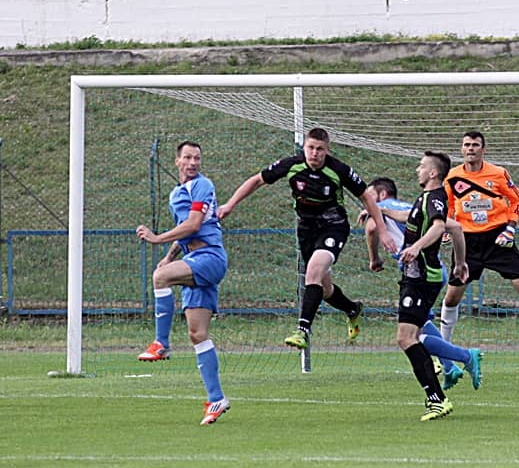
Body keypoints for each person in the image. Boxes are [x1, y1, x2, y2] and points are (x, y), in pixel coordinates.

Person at [217, 127, 395, 349]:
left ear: (327, 150)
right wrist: (230, 204)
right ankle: (352, 309)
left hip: (334, 227)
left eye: (320, 149)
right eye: (311, 148)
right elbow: (257, 180)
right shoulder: (292, 165)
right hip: (307, 231)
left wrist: (383, 231)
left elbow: (366, 197)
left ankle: (302, 331)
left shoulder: (338, 170)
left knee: (313, 272)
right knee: (325, 290)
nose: (314, 153)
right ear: (304, 147)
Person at [441, 130, 519, 372]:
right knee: (451, 297)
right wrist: (447, 227)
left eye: (475, 145)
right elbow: (449, 205)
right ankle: (443, 354)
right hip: (466, 242)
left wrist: (510, 229)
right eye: (467, 144)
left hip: (497, 239)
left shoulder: (498, 173)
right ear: (461, 149)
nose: (470, 148)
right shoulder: (452, 177)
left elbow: (517, 200)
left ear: (483, 149)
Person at [136, 141, 230, 426]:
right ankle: (216, 399)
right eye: (187, 158)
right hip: (194, 259)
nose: (192, 162)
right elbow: (184, 233)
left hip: (210, 257)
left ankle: (161, 343)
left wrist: (156, 239)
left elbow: (193, 225)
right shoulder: (177, 193)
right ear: (177, 161)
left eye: (197, 158)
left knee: (160, 277)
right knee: (197, 334)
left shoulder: (202, 185)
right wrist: (168, 256)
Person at [359, 176, 483, 390]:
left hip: (420, 272)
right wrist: (459, 262)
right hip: (434, 269)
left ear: (382, 194)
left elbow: (371, 229)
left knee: (410, 336)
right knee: (419, 326)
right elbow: (452, 226)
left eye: (369, 194)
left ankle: (465, 356)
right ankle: (450, 367)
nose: (366, 199)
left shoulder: (379, 209)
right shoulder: (412, 207)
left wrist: (374, 258)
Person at [392, 151, 469, 420]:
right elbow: (411, 218)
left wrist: (416, 247)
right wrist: (379, 210)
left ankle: (438, 397)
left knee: (406, 338)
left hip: (422, 276)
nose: (418, 170)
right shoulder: (425, 198)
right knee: (409, 337)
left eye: (422, 166)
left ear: (433, 173)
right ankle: (439, 393)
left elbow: (438, 227)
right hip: (415, 275)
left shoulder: (435, 197)